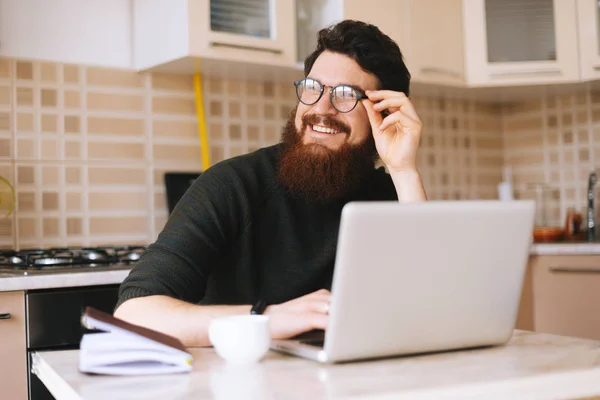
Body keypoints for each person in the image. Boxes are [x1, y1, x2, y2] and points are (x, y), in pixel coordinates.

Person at [114, 19, 427, 347]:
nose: (320, 108)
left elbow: (433, 303)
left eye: (346, 95)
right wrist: (265, 319)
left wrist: (405, 171)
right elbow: (134, 313)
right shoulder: (231, 186)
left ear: (383, 112)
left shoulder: (392, 199)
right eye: (311, 88)